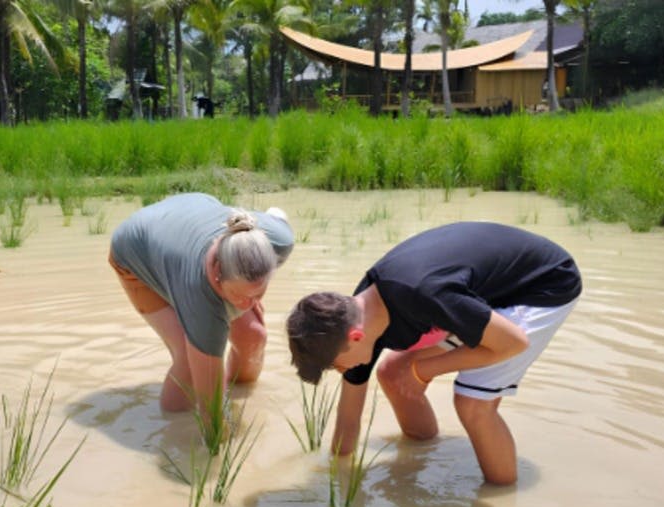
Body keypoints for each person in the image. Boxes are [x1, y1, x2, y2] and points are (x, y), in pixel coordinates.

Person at [286, 222, 581, 485]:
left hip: (543, 284)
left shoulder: (423, 294)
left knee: (473, 405)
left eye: (334, 365)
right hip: (478, 296)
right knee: (392, 373)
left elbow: (513, 343)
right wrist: (337, 477)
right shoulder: (354, 315)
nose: (340, 371)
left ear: (355, 337)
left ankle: (502, 500)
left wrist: (424, 370)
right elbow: (348, 419)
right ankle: (425, 449)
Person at [110, 192, 293, 414]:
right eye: (240, 295)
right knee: (189, 363)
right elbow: (210, 408)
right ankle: (173, 424)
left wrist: (245, 295)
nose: (247, 304)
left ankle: (242, 395)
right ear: (217, 273)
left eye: (257, 294)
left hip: (193, 209)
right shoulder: (198, 290)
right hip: (135, 250)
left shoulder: (278, 241)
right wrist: (215, 437)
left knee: (253, 336)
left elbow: (277, 215)